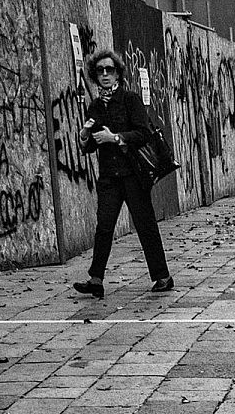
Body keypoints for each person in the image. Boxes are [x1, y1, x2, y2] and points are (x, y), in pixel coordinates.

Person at [71, 49, 173, 299]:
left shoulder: (130, 100)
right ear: (95, 76)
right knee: (104, 227)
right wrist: (84, 137)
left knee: (145, 224)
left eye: (110, 70)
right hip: (109, 176)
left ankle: (162, 277)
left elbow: (143, 133)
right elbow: (91, 146)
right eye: (100, 71)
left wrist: (115, 138)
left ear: (118, 74)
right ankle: (96, 279)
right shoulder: (95, 106)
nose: (105, 75)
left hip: (133, 174)